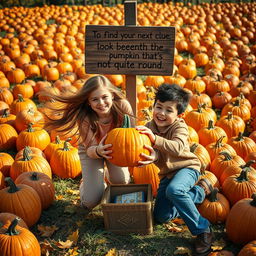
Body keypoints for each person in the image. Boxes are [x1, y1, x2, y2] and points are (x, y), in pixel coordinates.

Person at [136, 83, 214, 256]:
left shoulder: (179, 127)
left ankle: (203, 229)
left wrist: (154, 139)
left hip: (187, 168)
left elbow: (178, 147)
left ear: (180, 114)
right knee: (161, 216)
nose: (162, 113)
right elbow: (156, 152)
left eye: (169, 110)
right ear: (153, 106)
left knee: (174, 190)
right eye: (159, 107)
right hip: (168, 174)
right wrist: (152, 157)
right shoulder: (149, 127)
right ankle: (199, 191)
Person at [43, 75, 133, 209]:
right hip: (91, 150)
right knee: (90, 202)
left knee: (122, 181)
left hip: (114, 149)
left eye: (104, 97)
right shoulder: (84, 116)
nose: (101, 103)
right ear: (88, 102)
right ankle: (87, 183)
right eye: (95, 99)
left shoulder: (122, 107)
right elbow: (91, 149)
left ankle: (106, 174)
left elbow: (131, 135)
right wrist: (98, 150)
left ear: (112, 95)